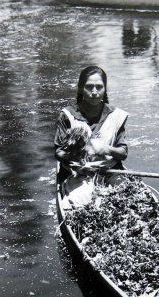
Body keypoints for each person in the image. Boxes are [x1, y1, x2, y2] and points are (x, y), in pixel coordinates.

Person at [55, 66, 129, 208]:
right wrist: (75, 158)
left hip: (109, 171)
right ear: (81, 89)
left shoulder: (116, 116)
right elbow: (59, 152)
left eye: (99, 87)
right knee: (83, 203)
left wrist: (105, 149)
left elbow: (123, 153)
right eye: (89, 87)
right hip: (77, 173)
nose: (94, 92)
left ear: (105, 89)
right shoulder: (68, 115)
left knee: (124, 200)